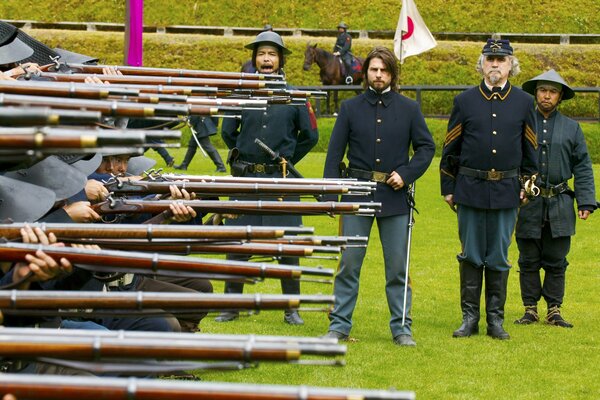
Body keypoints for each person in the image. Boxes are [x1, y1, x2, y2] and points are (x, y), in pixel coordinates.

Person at [322, 46, 435, 346]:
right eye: (374, 69)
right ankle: (339, 325)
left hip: (395, 198)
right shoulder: (350, 108)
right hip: (356, 194)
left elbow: (426, 148)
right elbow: (334, 155)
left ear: (392, 74)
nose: (379, 75)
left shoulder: (409, 109)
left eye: (384, 70)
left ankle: (401, 328)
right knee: (349, 263)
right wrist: (330, 195)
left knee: (398, 266)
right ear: (366, 73)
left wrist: (407, 173)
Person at [217, 31, 319, 325]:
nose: (266, 59)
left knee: (287, 246)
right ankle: (230, 307)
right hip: (245, 180)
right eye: (261, 54)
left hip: (281, 183)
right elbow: (227, 132)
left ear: (280, 60)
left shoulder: (296, 96)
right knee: (238, 244)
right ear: (255, 59)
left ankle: (291, 308)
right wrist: (245, 157)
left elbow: (310, 136)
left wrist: (286, 161)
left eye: (272, 55)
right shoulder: (240, 94)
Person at [440, 39, 538, 340]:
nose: (495, 64)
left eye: (501, 59)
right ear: (482, 64)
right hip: (469, 189)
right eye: (490, 59)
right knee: (470, 254)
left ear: (511, 65)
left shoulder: (524, 102)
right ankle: (469, 318)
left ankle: (496, 320)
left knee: (498, 255)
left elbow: (531, 151)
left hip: (507, 190)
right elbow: (450, 149)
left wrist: (527, 185)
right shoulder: (465, 101)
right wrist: (448, 186)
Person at [514, 69, 596, 328]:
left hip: (560, 203)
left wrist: (585, 201)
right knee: (528, 258)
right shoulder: (521, 125)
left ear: (560, 96)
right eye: (542, 91)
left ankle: (554, 309)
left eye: (552, 92)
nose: (546, 96)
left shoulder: (572, 128)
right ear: (535, 93)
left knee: (556, 259)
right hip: (528, 201)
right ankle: (529, 309)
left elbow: (582, 166)